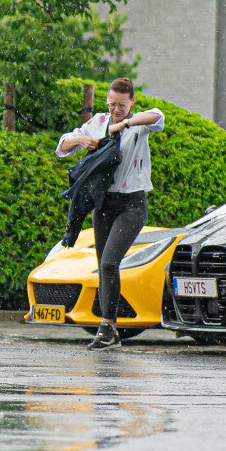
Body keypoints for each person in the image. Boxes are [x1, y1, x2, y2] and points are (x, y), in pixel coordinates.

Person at [56, 78, 166, 351]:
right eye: (112, 104)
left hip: (132, 205)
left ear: (132, 102)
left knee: (108, 263)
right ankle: (110, 330)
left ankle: (107, 326)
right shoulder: (99, 122)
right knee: (103, 266)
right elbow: (62, 147)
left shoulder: (138, 124)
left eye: (121, 105)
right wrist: (82, 140)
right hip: (104, 204)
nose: (116, 110)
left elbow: (158, 116)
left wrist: (125, 123)